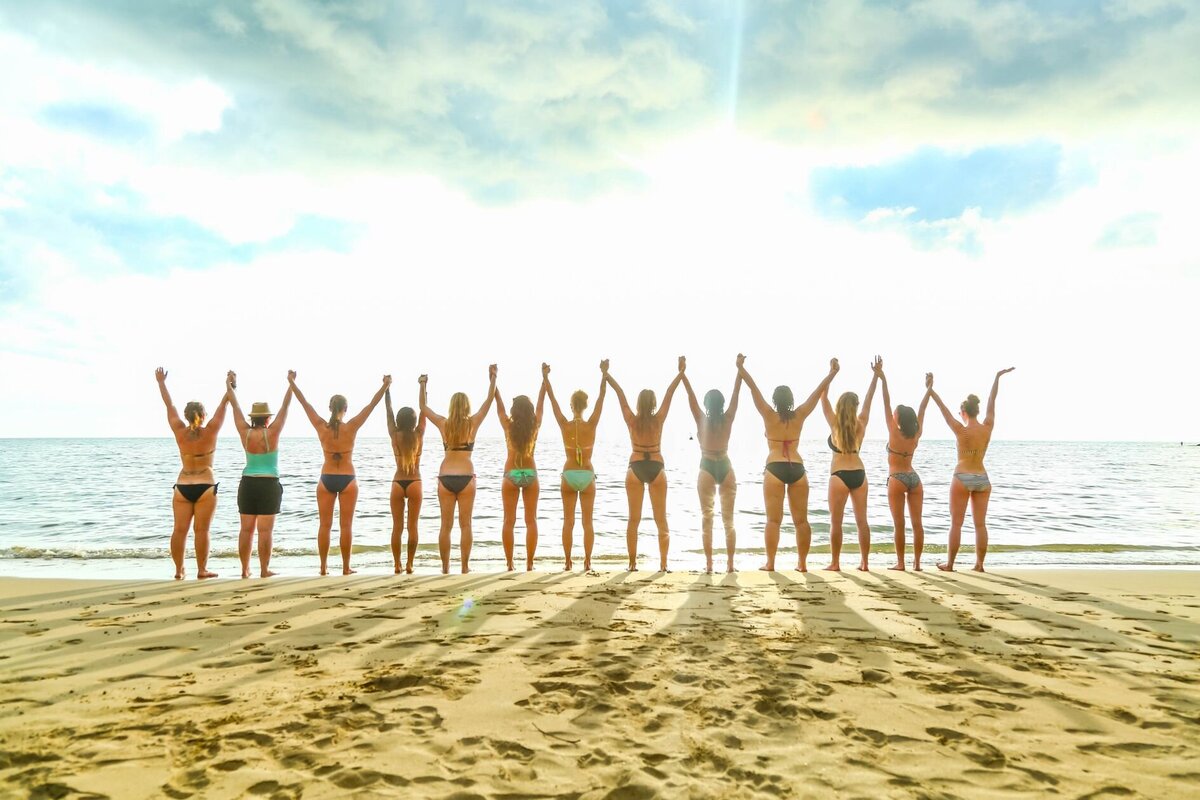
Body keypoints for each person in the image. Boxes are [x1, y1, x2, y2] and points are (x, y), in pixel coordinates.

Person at [738, 356, 839, 572]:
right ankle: (802, 564)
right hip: (797, 469)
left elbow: (753, 389)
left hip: (775, 468)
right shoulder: (800, 414)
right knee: (801, 521)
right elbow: (817, 392)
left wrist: (741, 368)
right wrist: (832, 373)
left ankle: (771, 563)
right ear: (791, 400)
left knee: (773, 521)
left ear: (775, 400)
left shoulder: (768, 414)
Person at [289, 373, 390, 575]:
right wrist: (385, 386)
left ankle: (323, 568)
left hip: (326, 478)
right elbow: (371, 406)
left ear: (329, 408)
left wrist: (292, 382)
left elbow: (304, 403)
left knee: (324, 525)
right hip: (348, 479)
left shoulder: (320, 426)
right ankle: (345, 568)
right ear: (345, 409)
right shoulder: (351, 426)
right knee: (346, 526)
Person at [929, 367, 1016, 572]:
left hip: (962, 476)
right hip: (982, 478)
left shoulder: (960, 429)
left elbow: (943, 411)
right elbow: (992, 401)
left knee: (956, 524)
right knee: (980, 525)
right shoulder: (987, 427)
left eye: (960, 412)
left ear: (964, 413)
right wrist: (996, 378)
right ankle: (979, 564)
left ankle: (950, 564)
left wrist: (931, 390)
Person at [606, 358, 685, 571]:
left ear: (639, 403)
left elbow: (620, 394)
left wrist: (606, 374)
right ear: (654, 404)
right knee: (661, 520)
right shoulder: (659, 419)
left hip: (635, 468)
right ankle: (663, 564)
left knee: (634, 520)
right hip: (657, 469)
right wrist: (680, 373)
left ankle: (632, 564)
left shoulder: (631, 420)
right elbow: (669, 393)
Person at [419, 366, 497, 574]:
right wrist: (493, 378)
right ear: (466, 407)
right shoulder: (472, 423)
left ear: (452, 406)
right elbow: (489, 402)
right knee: (466, 525)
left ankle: (445, 568)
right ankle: (464, 567)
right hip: (466, 478)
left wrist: (423, 384)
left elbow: (423, 407)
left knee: (445, 526)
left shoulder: (443, 424)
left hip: (445, 478)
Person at [155, 367, 229, 579]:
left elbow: (169, 406)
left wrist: (161, 383)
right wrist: (229, 386)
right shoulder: (211, 431)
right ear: (204, 416)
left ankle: (179, 571)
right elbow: (224, 405)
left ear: (186, 417)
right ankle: (201, 570)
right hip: (206, 485)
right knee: (201, 531)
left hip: (183, 486)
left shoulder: (179, 430)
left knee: (179, 530)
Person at [225, 370, 293, 578]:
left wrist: (229, 385)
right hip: (269, 484)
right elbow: (285, 407)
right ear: (267, 419)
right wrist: (291, 384)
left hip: (248, 484)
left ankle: (245, 570)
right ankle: (264, 570)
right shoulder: (272, 433)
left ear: (253, 418)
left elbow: (235, 407)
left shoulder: (244, 432)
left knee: (246, 530)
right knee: (265, 531)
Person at [543, 360, 608, 571]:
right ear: (585, 406)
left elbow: (552, 401)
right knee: (587, 522)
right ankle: (588, 562)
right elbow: (601, 398)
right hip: (587, 474)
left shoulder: (564, 424)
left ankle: (568, 562)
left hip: (569, 474)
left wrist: (545, 378)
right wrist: (604, 374)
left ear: (571, 406)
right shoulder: (592, 424)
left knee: (568, 521)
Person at [681, 359, 743, 574]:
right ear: (722, 404)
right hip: (725, 464)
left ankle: (709, 565)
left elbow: (690, 398)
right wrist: (739, 371)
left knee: (707, 517)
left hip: (707, 465)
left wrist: (683, 374)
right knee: (729, 520)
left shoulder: (700, 419)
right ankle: (730, 565)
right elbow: (736, 395)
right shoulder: (728, 418)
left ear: (707, 405)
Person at [820, 358, 880, 571]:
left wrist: (832, 372)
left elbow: (823, 397)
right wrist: (876, 375)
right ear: (855, 407)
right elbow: (869, 399)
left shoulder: (834, 422)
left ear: (840, 406)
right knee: (862, 522)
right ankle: (864, 563)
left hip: (839, 475)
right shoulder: (861, 422)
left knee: (836, 522)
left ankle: (835, 563)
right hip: (859, 474)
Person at [878, 366, 932, 571]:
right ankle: (917, 564)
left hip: (897, 478)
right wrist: (929, 388)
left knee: (899, 523)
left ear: (898, 418)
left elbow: (885, 402)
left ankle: (901, 563)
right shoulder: (916, 434)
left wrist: (883, 378)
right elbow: (923, 409)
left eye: (895, 414)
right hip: (914, 478)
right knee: (917, 524)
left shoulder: (894, 432)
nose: (892, 414)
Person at [495, 371, 547, 570]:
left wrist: (494, 382)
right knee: (530, 520)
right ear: (530, 410)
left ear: (514, 411)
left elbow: (498, 406)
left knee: (509, 520)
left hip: (511, 475)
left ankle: (509, 564)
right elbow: (542, 403)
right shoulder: (535, 425)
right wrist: (544, 381)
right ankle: (530, 563)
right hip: (530, 474)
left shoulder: (508, 426)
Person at [385, 384, 425, 574]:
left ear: (399, 421)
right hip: (415, 481)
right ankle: (410, 564)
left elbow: (389, 411)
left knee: (397, 527)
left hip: (398, 482)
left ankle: (396, 565)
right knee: (413, 526)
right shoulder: (419, 434)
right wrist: (424, 386)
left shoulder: (394, 434)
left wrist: (387, 389)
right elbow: (424, 408)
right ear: (414, 421)